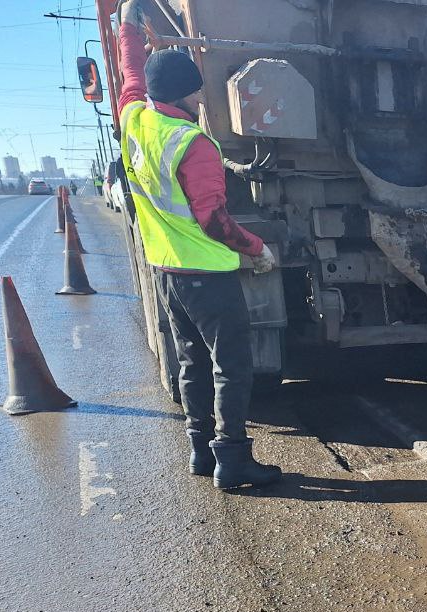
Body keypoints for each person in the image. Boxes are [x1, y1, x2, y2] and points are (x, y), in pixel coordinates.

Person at [116, 0, 280, 490]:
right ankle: (232, 460)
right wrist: (257, 249)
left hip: (167, 271)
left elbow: (130, 73)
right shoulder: (193, 144)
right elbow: (214, 221)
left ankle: (200, 451)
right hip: (208, 274)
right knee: (232, 365)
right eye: (196, 90)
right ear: (185, 94)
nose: (200, 97)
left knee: (192, 361)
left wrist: (128, 26)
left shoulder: (134, 120)